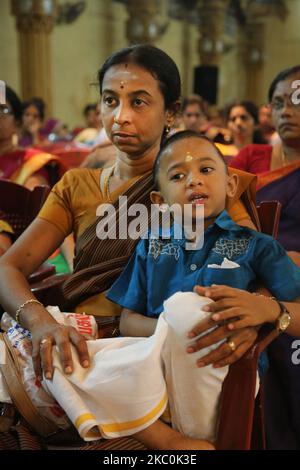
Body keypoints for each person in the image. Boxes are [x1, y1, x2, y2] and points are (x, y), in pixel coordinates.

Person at [0, 45, 258, 403]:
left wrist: (250, 319)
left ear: (171, 112)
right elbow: (8, 267)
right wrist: (41, 322)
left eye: (139, 102)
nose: (120, 116)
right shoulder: (77, 185)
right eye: (109, 101)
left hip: (162, 347)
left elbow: (256, 270)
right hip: (83, 346)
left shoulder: (205, 186)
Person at [67, 130, 300, 450]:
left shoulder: (256, 247)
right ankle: (167, 439)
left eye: (206, 170)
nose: (194, 181)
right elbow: (128, 321)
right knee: (58, 352)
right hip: (153, 365)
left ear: (231, 185)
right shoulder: (152, 246)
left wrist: (271, 309)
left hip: (224, 374)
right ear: (160, 202)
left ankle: (191, 438)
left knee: (190, 310)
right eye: (178, 175)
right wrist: (172, 330)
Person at [0, 85, 66, 259]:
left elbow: (34, 213)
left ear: (17, 123)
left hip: (21, 248)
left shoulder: (33, 161)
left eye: (2, 109)